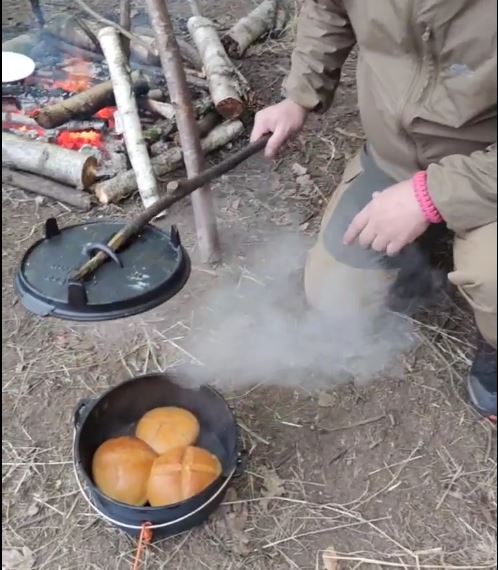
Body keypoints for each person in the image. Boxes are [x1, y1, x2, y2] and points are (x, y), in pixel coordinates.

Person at [250, 0, 497, 420]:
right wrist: (300, 95)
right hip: (394, 157)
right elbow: (328, 8)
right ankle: (424, 242)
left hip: (486, 166)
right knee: (337, 300)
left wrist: (431, 196)